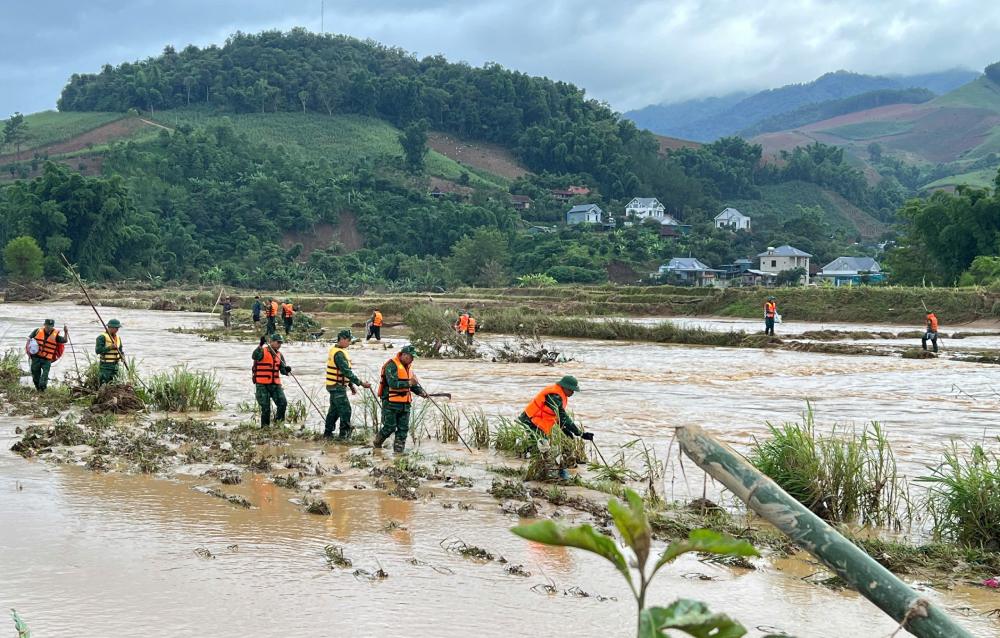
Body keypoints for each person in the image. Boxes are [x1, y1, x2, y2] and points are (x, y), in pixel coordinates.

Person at [518, 375, 592, 479]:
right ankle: (542, 473)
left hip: (538, 422)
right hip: (531, 420)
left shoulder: (560, 395)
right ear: (565, 387)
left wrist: (564, 429)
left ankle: (532, 462)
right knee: (543, 447)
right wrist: (580, 433)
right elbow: (562, 416)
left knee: (540, 446)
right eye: (571, 390)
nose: (573, 393)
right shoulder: (555, 396)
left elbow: (555, 415)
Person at [374, 345, 427, 453]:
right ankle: (377, 443)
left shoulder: (408, 367)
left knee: (403, 430)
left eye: (413, 357)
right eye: (411, 357)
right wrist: (409, 383)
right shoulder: (391, 365)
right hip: (390, 403)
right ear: (404, 355)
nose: (412, 359)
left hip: (405, 404)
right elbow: (393, 383)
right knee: (389, 427)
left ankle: (398, 453)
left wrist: (420, 392)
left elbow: (412, 385)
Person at [325, 329, 371, 440]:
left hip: (335, 385)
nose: (350, 342)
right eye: (348, 340)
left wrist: (350, 385)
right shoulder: (339, 353)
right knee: (346, 410)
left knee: (334, 411)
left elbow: (342, 371)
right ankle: (343, 437)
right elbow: (346, 371)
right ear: (342, 339)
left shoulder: (337, 350)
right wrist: (360, 383)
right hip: (337, 386)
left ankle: (327, 434)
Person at [252, 334, 290, 428]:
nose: (279, 344)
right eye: (278, 342)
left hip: (275, 384)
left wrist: (287, 370)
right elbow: (254, 356)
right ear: (271, 342)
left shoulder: (279, 355)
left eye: (280, 343)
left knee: (282, 403)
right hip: (262, 384)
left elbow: (283, 370)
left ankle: (278, 425)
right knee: (266, 408)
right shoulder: (262, 351)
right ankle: (265, 428)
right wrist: (260, 345)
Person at [26, 319, 68, 391]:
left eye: (51, 326)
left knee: (44, 375)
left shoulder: (55, 335)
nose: (49, 328)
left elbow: (65, 340)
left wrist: (66, 332)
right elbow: (29, 340)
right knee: (35, 375)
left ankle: (42, 389)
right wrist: (29, 351)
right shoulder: (37, 331)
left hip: (47, 359)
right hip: (36, 357)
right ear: (44, 325)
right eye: (47, 326)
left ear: (53, 326)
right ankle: (38, 389)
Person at [95, 319, 124, 386]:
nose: (117, 330)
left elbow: (120, 350)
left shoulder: (118, 338)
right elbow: (98, 351)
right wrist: (110, 347)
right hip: (105, 366)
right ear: (110, 327)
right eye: (116, 328)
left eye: (118, 328)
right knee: (104, 383)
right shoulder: (102, 337)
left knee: (114, 384)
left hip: (115, 366)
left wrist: (122, 357)